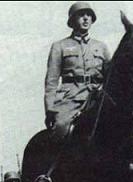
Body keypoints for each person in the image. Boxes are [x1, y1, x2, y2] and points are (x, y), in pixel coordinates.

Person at [44, 1, 110, 139]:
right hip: (70, 99)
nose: (86, 18)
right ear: (72, 20)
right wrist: (50, 108)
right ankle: (59, 161)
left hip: (97, 98)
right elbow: (51, 80)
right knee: (60, 127)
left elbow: (110, 77)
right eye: (81, 15)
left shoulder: (101, 47)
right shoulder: (60, 46)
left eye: (89, 15)